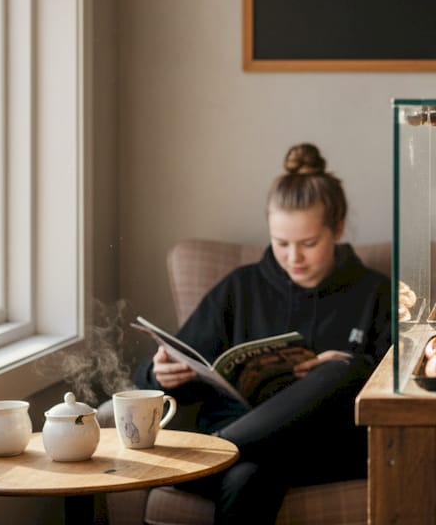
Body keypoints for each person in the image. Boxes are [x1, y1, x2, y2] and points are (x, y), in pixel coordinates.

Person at [134, 142, 391, 524]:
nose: (293, 258)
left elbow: (401, 382)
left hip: (325, 447)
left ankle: (212, 454)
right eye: (281, 243)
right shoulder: (241, 287)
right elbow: (162, 371)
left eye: (308, 243)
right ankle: (225, 452)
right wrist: (160, 374)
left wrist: (357, 368)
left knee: (343, 369)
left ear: (336, 229)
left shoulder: (376, 291)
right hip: (250, 452)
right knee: (248, 476)